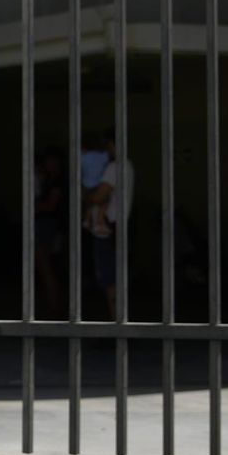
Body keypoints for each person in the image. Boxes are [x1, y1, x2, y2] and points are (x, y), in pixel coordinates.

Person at [84, 129, 135, 319]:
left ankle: (117, 322)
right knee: (115, 278)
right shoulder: (127, 166)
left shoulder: (115, 167)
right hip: (118, 228)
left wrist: (87, 196)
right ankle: (120, 321)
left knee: (110, 280)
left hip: (107, 230)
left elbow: (99, 196)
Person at [32, 148, 66, 315]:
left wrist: (34, 206)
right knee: (46, 266)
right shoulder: (49, 180)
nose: (47, 164)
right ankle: (53, 305)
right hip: (47, 224)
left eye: (50, 161)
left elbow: (51, 205)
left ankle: (54, 308)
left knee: (46, 267)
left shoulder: (57, 182)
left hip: (48, 225)